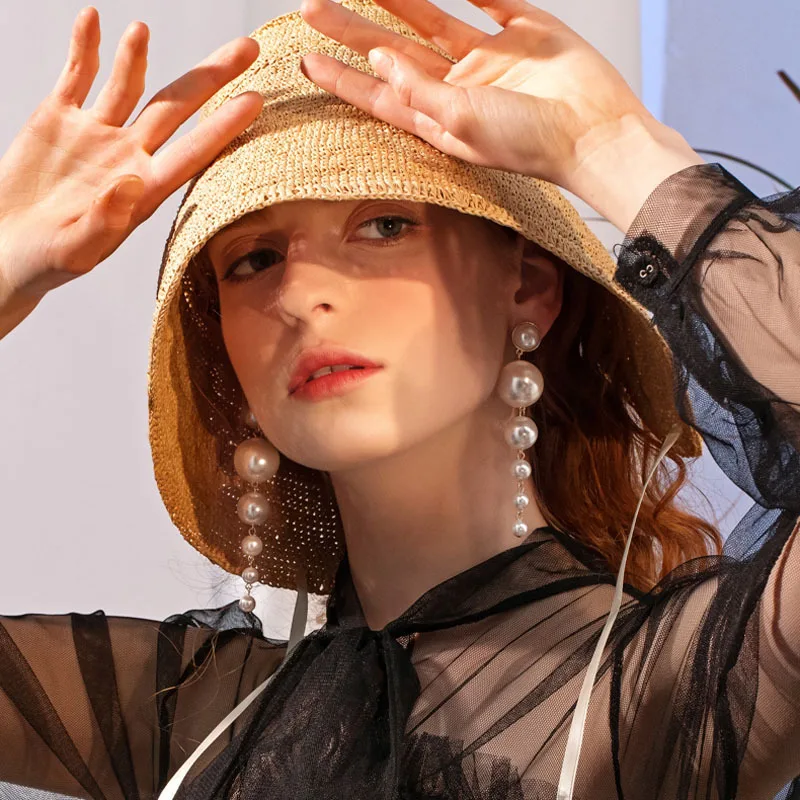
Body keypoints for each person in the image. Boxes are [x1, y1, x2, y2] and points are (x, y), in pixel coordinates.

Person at [0, 0, 798, 798]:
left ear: (526, 286)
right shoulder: (195, 716)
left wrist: (615, 149)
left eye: (384, 225)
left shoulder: (671, 689)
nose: (299, 295)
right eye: (254, 259)